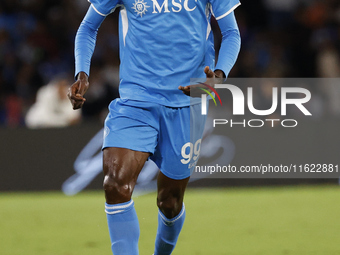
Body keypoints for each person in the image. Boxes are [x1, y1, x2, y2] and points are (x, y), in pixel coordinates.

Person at [68, 0, 241, 254]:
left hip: (187, 105)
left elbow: (231, 33)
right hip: (136, 100)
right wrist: (81, 72)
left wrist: (217, 77)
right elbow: (88, 27)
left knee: (169, 202)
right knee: (115, 184)